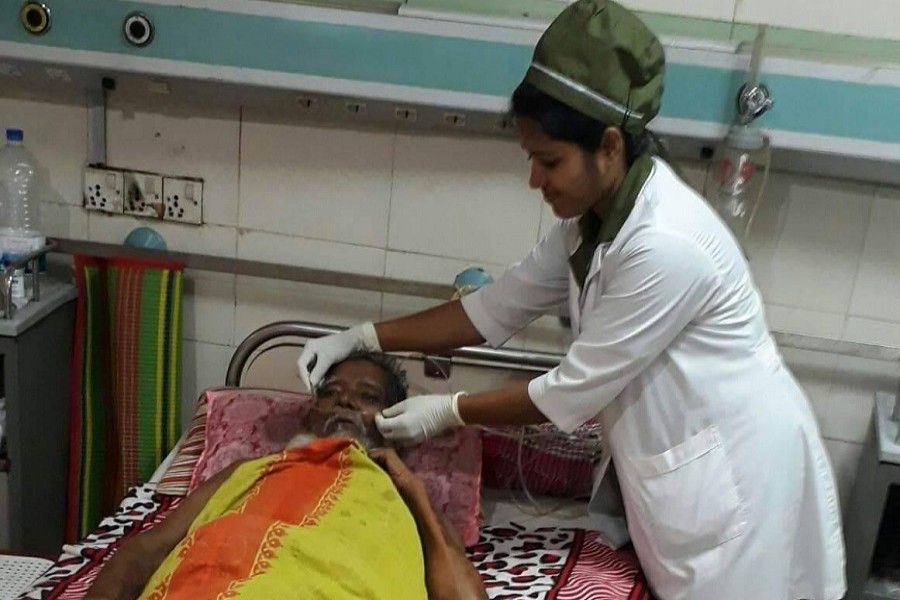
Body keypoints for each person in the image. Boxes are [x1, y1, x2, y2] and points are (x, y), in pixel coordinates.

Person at [296, 1, 846, 598]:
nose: (535, 180)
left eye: (550, 160)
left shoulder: (665, 243)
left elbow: (567, 394)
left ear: (610, 145)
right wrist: (362, 337)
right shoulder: (591, 224)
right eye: (531, 158)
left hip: (740, 491)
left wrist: (448, 410)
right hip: (680, 484)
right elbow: (490, 311)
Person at [84, 352, 487, 600]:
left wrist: (413, 492)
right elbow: (148, 549)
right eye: (331, 392)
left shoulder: (407, 496)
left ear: (394, 422)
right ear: (312, 412)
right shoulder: (248, 472)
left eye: (368, 396)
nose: (344, 399)